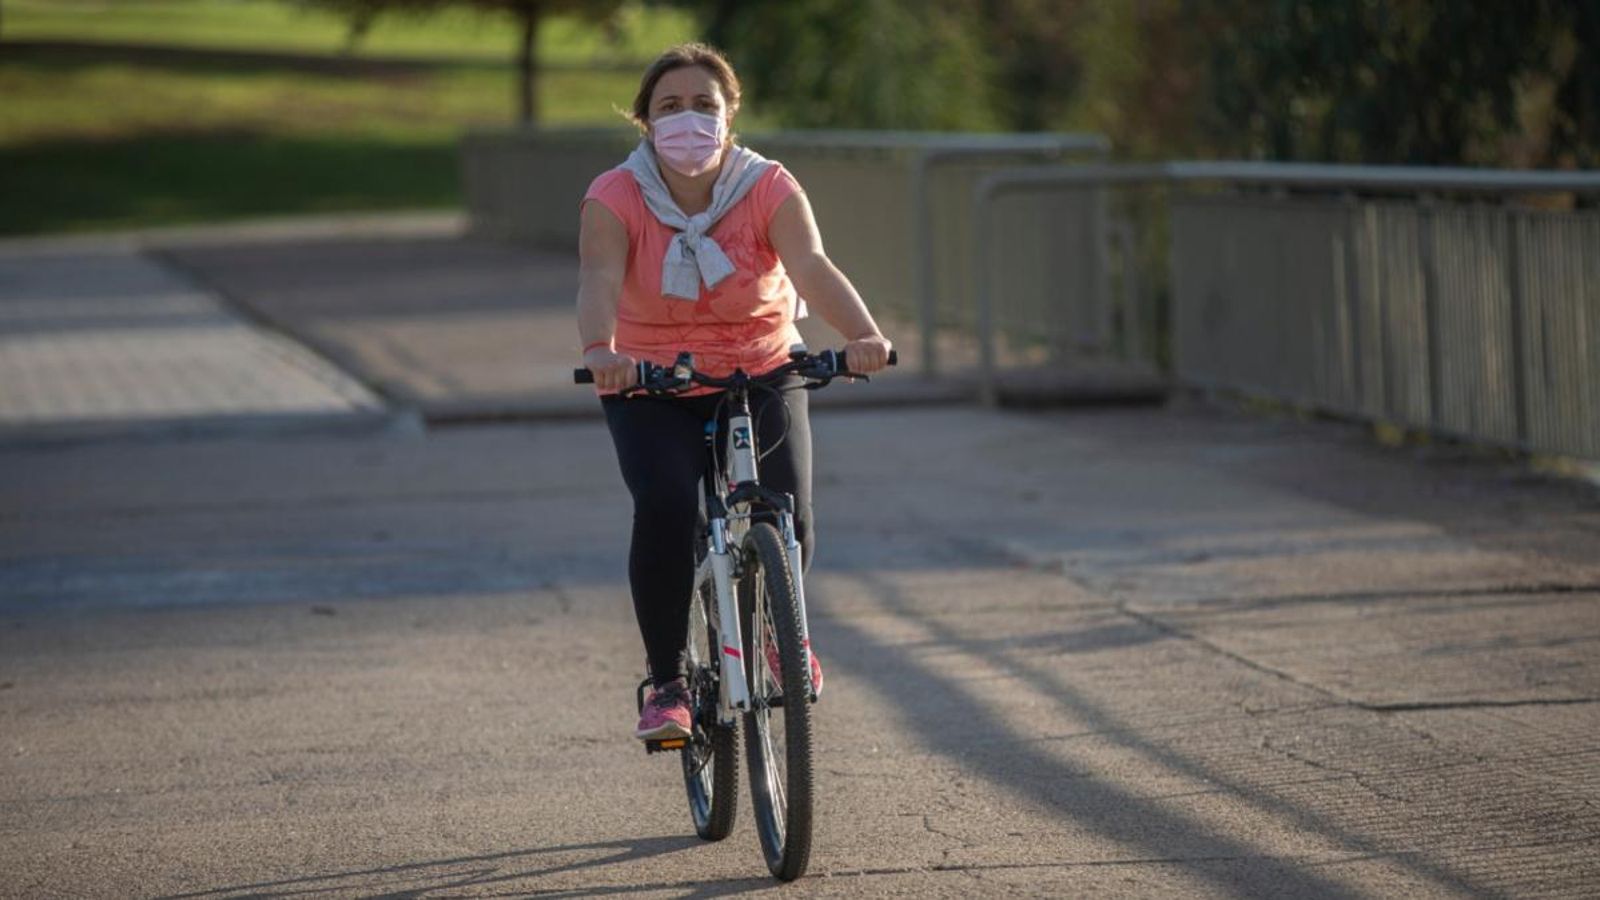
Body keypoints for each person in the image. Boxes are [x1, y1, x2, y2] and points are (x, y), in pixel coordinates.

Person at [575, 43, 892, 741]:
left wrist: (865, 335)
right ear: (644, 122)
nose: (688, 119)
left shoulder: (768, 186)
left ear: (730, 114)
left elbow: (810, 265)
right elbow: (599, 278)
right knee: (663, 507)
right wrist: (602, 352)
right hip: (650, 380)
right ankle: (668, 685)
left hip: (761, 367)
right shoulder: (614, 196)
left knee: (788, 512)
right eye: (669, 107)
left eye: (703, 105)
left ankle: (782, 635)